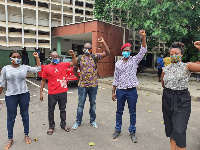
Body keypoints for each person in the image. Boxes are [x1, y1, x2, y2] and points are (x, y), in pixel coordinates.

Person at [161, 41, 200, 150]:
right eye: (171, 54)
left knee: (179, 130)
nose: (173, 56)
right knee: (171, 128)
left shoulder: (187, 66)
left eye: (176, 53)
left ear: (181, 55)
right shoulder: (165, 69)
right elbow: (163, 84)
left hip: (182, 100)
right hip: (167, 99)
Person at [0, 50, 41, 149]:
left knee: (25, 115)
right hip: (10, 96)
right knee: (11, 118)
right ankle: (10, 138)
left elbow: (38, 69)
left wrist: (37, 57)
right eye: (14, 57)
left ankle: (26, 134)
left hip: (24, 94)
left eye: (18, 57)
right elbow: (1, 83)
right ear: (10, 58)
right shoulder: (6, 68)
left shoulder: (24, 67)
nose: (16, 59)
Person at [112, 30, 147, 143]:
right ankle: (118, 130)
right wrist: (113, 91)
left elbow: (143, 50)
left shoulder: (134, 61)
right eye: (124, 51)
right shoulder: (118, 64)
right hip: (121, 91)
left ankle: (132, 132)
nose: (126, 52)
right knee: (119, 111)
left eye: (128, 51)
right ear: (122, 52)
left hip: (132, 91)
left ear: (130, 51)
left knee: (132, 112)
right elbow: (115, 78)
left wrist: (143, 37)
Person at [72, 37, 110, 130]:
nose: (86, 50)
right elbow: (74, 68)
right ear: (83, 48)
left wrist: (103, 42)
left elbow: (107, 53)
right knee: (80, 104)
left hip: (93, 86)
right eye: (85, 48)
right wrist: (79, 78)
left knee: (93, 104)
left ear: (91, 49)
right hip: (82, 86)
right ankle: (78, 121)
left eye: (88, 48)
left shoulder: (94, 57)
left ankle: (92, 120)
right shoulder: (80, 58)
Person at [40, 50, 77, 135]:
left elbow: (74, 63)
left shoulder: (63, 65)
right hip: (52, 93)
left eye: (57, 57)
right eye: (54, 57)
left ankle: (63, 124)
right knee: (51, 110)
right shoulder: (46, 68)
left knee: (63, 109)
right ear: (51, 58)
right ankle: (51, 126)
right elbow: (43, 80)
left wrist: (73, 55)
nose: (56, 58)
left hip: (63, 92)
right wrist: (41, 92)